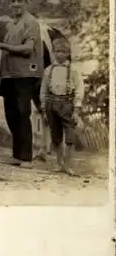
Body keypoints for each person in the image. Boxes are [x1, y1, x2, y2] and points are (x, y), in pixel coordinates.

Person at [0, 0, 43, 168]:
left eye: (19, 1)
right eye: (12, 1)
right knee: (11, 115)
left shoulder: (31, 22)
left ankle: (27, 157)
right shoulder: (10, 25)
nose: (15, 4)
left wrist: (2, 46)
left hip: (25, 74)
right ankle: (17, 155)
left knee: (23, 113)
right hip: (8, 75)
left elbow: (28, 49)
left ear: (26, 2)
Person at [40, 37, 85, 176]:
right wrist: (43, 108)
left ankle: (69, 165)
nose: (60, 54)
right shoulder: (48, 70)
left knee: (69, 137)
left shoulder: (73, 70)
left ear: (68, 53)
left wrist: (76, 110)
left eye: (63, 51)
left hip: (67, 105)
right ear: (53, 52)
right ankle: (59, 164)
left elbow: (79, 89)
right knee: (56, 136)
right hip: (51, 104)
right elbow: (44, 89)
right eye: (57, 51)